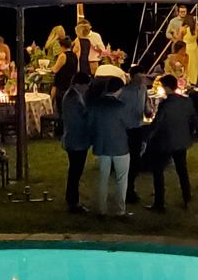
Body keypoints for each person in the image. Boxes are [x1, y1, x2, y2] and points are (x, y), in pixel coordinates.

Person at [87, 64, 145, 218]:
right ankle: (120, 210)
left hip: (102, 146)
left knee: (103, 178)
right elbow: (128, 124)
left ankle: (102, 209)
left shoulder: (97, 105)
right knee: (121, 179)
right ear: (119, 90)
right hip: (120, 146)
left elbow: (91, 123)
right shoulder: (120, 107)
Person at [147, 73, 198, 212]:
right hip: (181, 140)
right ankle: (187, 197)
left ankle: (159, 202)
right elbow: (195, 118)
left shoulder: (165, 104)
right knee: (182, 170)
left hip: (165, 142)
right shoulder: (186, 101)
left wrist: (147, 137)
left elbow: (157, 123)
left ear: (166, 87)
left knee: (158, 171)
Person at [60, 73, 94, 213]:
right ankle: (73, 201)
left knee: (75, 171)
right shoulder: (73, 98)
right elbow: (77, 121)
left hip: (76, 139)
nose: (87, 88)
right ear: (79, 84)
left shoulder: (74, 95)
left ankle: (72, 199)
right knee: (75, 172)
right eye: (86, 85)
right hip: (76, 140)